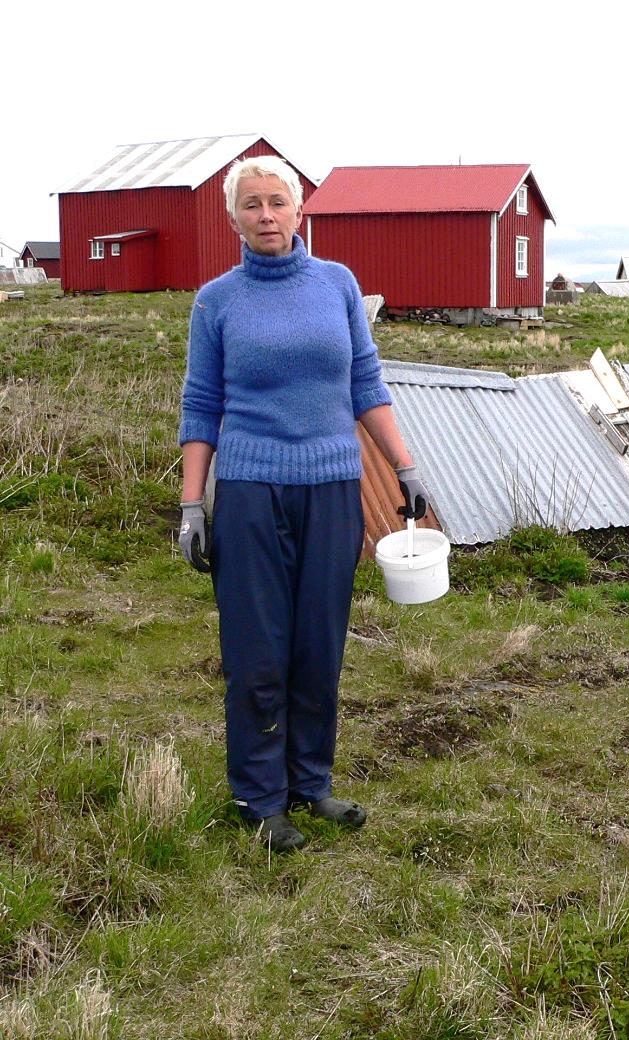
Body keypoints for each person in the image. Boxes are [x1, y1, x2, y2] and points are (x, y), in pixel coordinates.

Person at [177, 156, 428, 853]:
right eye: (251, 205)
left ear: (298, 210)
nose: (265, 216)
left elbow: (364, 381)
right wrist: (193, 506)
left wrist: (403, 465)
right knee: (258, 652)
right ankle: (259, 800)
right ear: (233, 218)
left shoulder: (337, 285)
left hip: (332, 489)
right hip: (253, 491)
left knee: (318, 646)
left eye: (276, 202)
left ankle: (309, 783)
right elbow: (201, 404)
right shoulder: (215, 301)